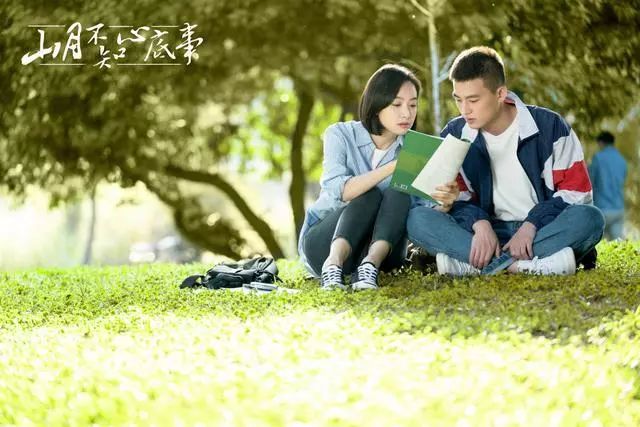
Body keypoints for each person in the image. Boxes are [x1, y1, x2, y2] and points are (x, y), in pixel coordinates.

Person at [407, 46, 605, 276]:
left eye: (473, 100)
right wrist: (479, 223)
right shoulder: (455, 133)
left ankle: (476, 266)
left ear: (500, 94)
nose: (464, 110)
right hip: (484, 235)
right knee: (417, 219)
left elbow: (578, 193)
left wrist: (532, 225)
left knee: (590, 219)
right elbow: (453, 199)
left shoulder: (551, 127)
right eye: (458, 99)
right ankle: (526, 266)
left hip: (542, 231)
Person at [298, 64, 458, 290]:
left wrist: (445, 203)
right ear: (376, 104)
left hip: (384, 255)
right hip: (325, 245)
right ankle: (332, 266)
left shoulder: (417, 150)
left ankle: (369, 267)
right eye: (397, 105)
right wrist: (394, 166)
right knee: (369, 195)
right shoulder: (340, 134)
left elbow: (417, 211)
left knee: (399, 194)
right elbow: (340, 191)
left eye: (413, 105)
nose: (407, 113)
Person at [589, 131, 627, 240]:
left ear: (601, 143)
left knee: (599, 244)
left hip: (602, 209)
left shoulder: (598, 158)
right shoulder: (621, 160)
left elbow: (590, 181)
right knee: (617, 245)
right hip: (618, 207)